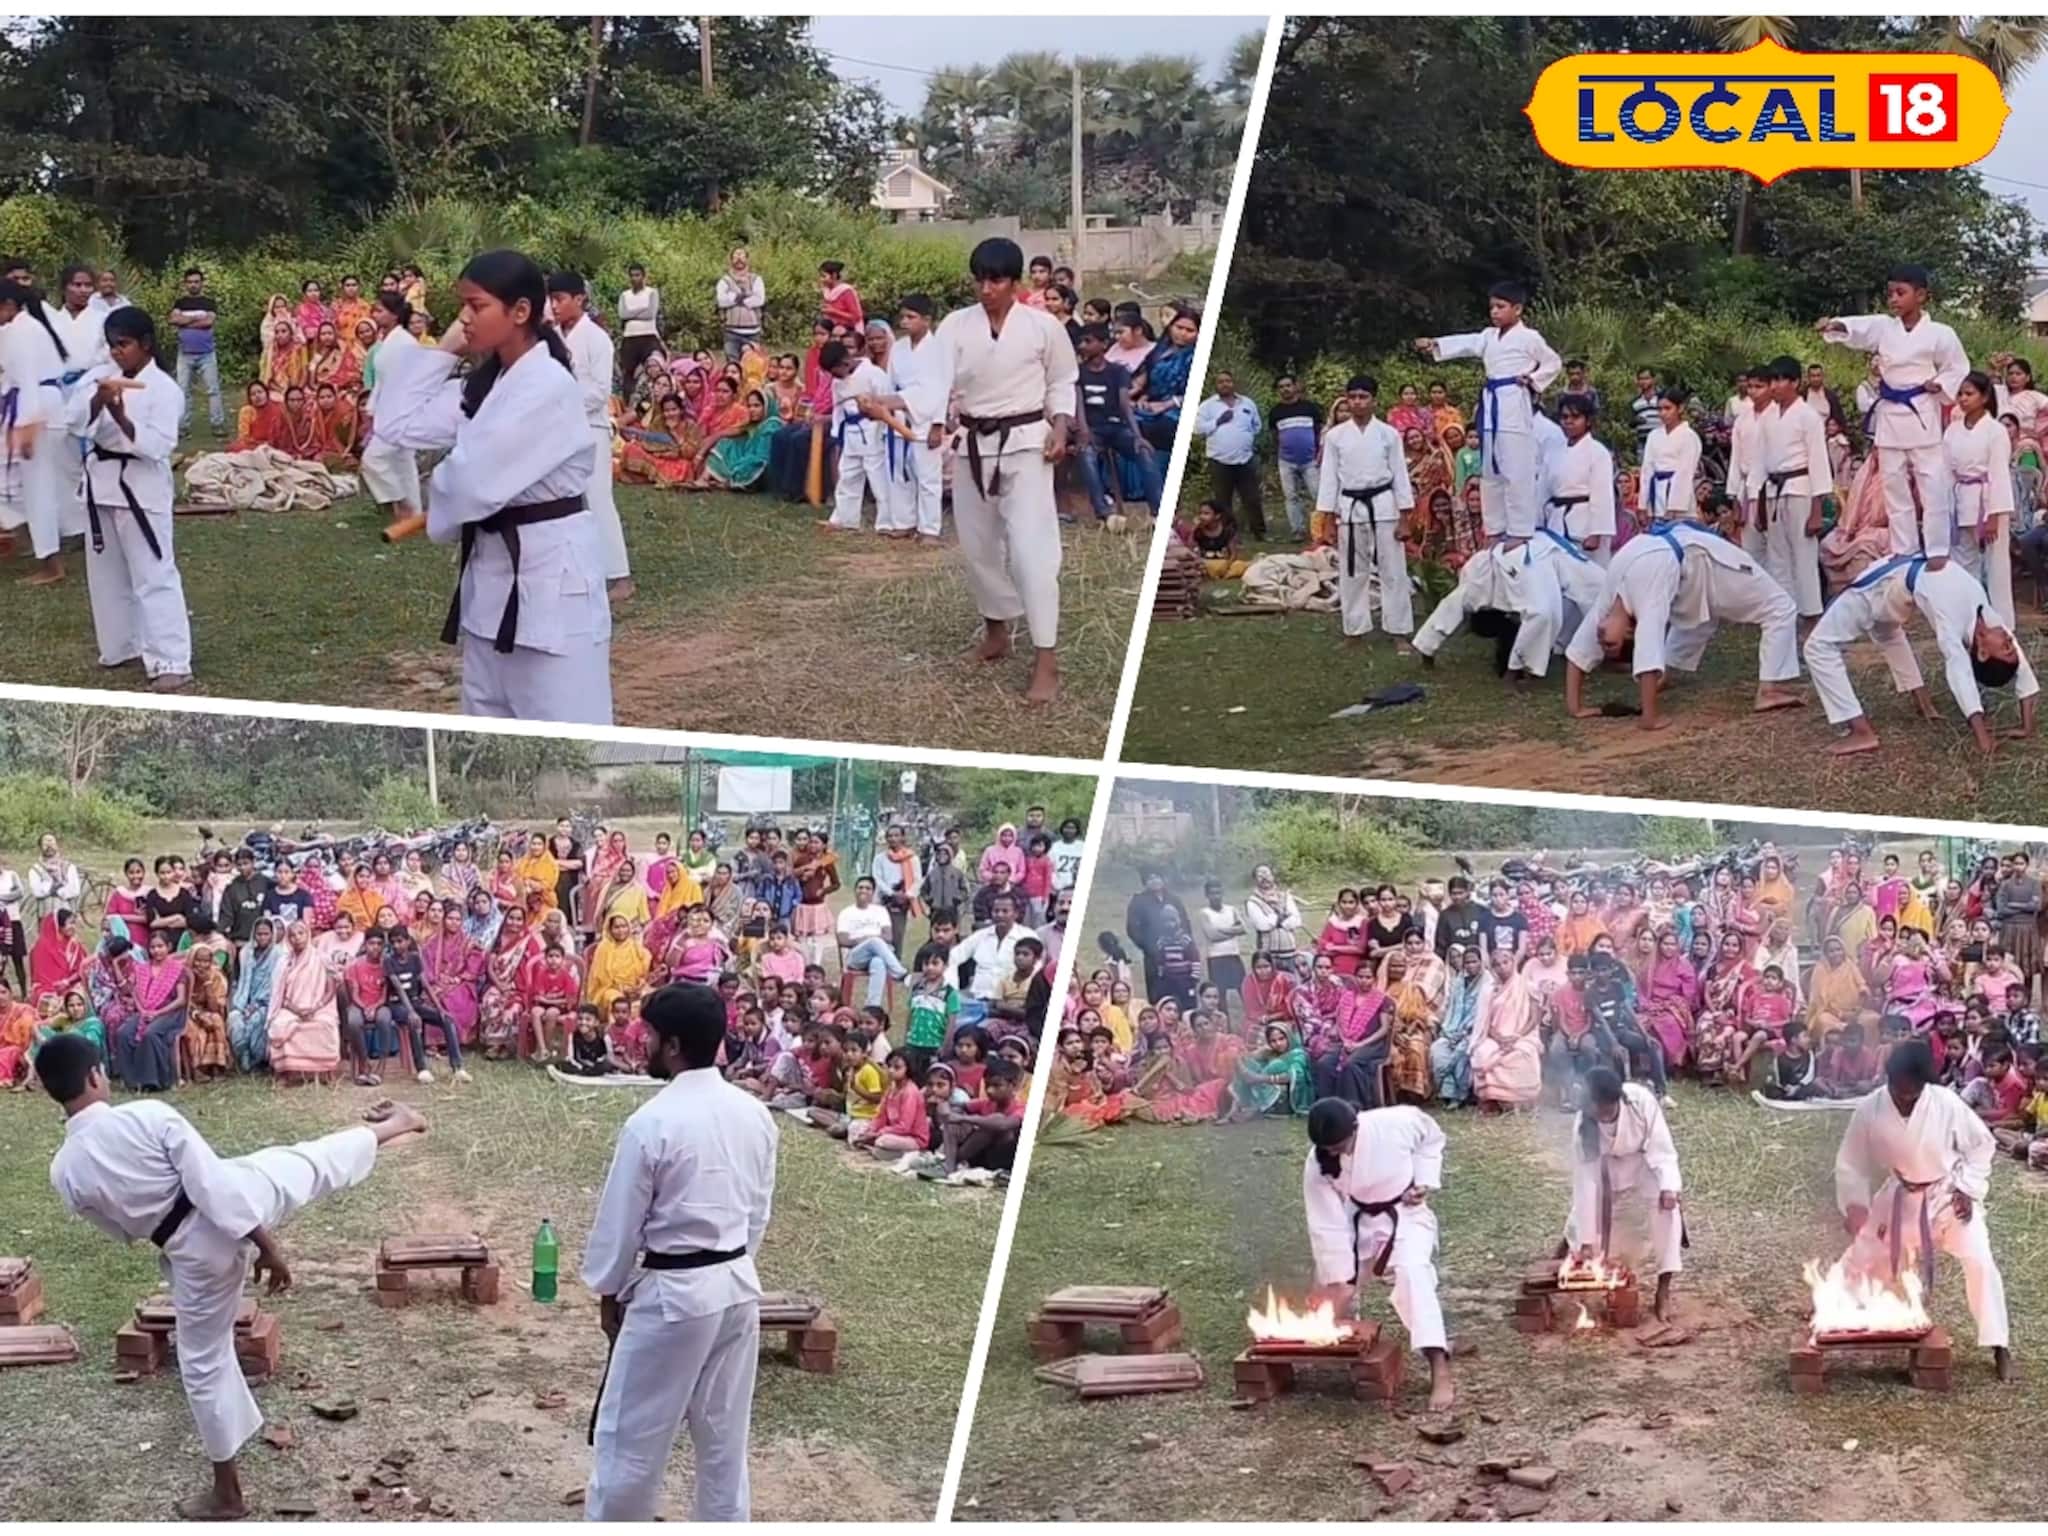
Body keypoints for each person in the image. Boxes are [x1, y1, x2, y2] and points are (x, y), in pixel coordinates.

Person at [44, 1030, 426, 1517]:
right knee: (308, 1162)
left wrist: (256, 1243)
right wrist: (265, 1243)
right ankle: (394, 1125)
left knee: (203, 1361)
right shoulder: (148, 1115)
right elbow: (211, 1182)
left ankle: (228, 1493)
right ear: (95, 1075)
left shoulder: (65, 1170)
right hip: (236, 1203)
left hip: (193, 1250)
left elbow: (119, 1230)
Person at [371, 250, 611, 723]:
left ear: (520, 312)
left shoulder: (546, 386)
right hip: (489, 588)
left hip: (551, 592)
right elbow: (395, 423)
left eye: (476, 306)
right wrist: (444, 351)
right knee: (486, 723)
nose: (463, 318)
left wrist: (442, 485)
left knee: (565, 729)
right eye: (462, 305)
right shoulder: (489, 384)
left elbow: (467, 483)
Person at [584, 984, 776, 1520]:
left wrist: (609, 1289)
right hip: (737, 1288)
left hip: (674, 1297)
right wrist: (731, 1262)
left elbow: (621, 1225)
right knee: (723, 1443)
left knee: (631, 1442)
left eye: (646, 1036)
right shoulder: (753, 1113)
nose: (641, 1044)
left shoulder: (651, 1123)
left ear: (670, 1045)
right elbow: (757, 1210)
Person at [930, 238, 1077, 705]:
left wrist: (1060, 427)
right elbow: (935, 380)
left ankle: (1046, 658)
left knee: (1033, 554)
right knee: (978, 548)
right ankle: (996, 633)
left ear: (1014, 282)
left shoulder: (1043, 327)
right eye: (979, 279)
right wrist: (935, 421)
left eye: (995, 280)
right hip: (974, 444)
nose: (986, 289)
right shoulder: (956, 325)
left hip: (1027, 446)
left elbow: (1062, 382)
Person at [1833, 1037, 2012, 1379]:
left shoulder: (1946, 1103)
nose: (1904, 1099)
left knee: (1980, 1261)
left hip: (1947, 1196)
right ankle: (1830, 1310)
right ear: (1888, 1080)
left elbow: (1981, 1146)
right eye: (1898, 1091)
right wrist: (1854, 1204)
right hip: (1900, 1194)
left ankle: (1999, 1345)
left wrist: (1967, 1188)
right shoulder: (1870, 1107)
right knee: (1863, 1252)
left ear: (1923, 1086)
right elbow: (1850, 1162)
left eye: (1911, 1094)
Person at [1564, 517, 1803, 731]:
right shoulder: (1618, 596)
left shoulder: (1633, 584)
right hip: (1687, 570)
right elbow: (1581, 648)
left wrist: (1649, 718)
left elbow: (1648, 643)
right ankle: (1666, 675)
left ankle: (1769, 688)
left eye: (1606, 643)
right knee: (1697, 615)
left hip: (1714, 561)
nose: (1602, 641)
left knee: (1781, 607)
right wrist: (1576, 708)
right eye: (1609, 645)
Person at [63, 305, 195, 690]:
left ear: (146, 344)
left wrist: (120, 417)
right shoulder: (101, 377)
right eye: (112, 345)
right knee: (107, 576)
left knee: (154, 573)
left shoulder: (165, 389)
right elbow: (73, 423)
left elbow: (157, 446)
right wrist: (99, 402)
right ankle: (121, 646)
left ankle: (172, 660)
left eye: (123, 344)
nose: (117, 352)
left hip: (141, 488)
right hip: (101, 483)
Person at [1804, 549, 2036, 757]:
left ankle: (1861, 731)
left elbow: (1960, 673)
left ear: (1983, 652)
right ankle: (1924, 703)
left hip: (1883, 588)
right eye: (2010, 645)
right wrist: (2027, 726)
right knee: (1886, 632)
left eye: (2006, 648)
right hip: (1899, 584)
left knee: (1817, 647)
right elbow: (2022, 666)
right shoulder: (1989, 620)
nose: (2009, 640)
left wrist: (1983, 738)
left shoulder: (1952, 627)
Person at [1302, 1098, 1455, 1409]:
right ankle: (1345, 1348)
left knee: (1414, 1275)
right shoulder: (1318, 1162)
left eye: (1339, 1145)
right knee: (1331, 1291)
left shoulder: (1397, 1122)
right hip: (1355, 1220)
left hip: (1405, 1214)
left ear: (1355, 1127)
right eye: (1327, 1148)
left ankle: (1439, 1366)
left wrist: (1423, 1181)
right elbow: (1326, 1224)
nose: (1333, 1153)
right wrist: (1341, 1279)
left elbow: (1432, 1138)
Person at [1817, 266, 1970, 559]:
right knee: (1894, 486)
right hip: (1890, 415)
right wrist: (1835, 326)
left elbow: (1958, 368)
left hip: (1921, 412)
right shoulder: (1886, 328)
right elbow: (1858, 330)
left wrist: (1938, 384)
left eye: (1901, 293)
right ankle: (1904, 548)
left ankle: (1937, 550)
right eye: (1890, 293)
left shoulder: (1941, 333)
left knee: (1932, 487)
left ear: (1921, 295)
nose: (1894, 299)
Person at [1416, 280, 1561, 544]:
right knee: (1490, 470)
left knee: (1516, 469)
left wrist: (1533, 379)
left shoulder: (1530, 338)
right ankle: (1494, 528)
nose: (1494, 312)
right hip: (1491, 407)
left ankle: (1520, 530)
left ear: (1517, 309)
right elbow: (1466, 342)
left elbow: (1553, 362)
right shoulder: (1488, 336)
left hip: (1514, 404)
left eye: (1501, 306)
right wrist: (1436, 343)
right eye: (1492, 307)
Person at [1566, 1068, 1683, 1320]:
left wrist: (1669, 1187)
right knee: (1583, 1218)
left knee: (1667, 1210)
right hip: (1607, 1168)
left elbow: (1662, 1148)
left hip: (1644, 1162)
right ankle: (1572, 1254)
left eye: (1606, 1109)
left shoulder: (1641, 1101)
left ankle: (1664, 1289)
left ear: (1617, 1100)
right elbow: (1585, 1180)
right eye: (1596, 1110)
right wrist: (1587, 1238)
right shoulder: (1583, 1124)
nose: (1602, 1115)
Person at [548, 271, 631, 603]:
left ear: (579, 299)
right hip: (556, 430)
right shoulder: (551, 337)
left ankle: (620, 576)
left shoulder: (597, 339)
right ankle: (574, 569)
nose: (554, 306)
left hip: (590, 428)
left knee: (598, 499)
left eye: (560, 299)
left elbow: (598, 392)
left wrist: (561, 402)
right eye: (551, 300)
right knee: (561, 501)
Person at [1316, 374, 1415, 642]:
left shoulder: (1389, 434)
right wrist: (1326, 519)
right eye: (1353, 397)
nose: (1358, 402)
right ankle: (1355, 629)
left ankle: (1399, 631)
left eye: (1363, 397)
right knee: (1352, 571)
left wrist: (1405, 517)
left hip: (1384, 504)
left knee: (1393, 569)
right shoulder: (1335, 436)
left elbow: (1400, 475)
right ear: (1347, 399)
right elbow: (1329, 478)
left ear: (1374, 400)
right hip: (1349, 506)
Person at [1755, 355, 1831, 618]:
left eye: (1780, 380)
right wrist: (1758, 503)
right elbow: (1761, 462)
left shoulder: (1808, 415)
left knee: (1803, 555)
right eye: (1772, 380)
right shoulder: (1768, 417)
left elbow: (1819, 461)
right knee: (1777, 558)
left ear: (1795, 383)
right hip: (1774, 490)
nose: (1774, 386)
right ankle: (1783, 612)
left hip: (1800, 488)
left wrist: (1817, 508)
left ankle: (1811, 613)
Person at [1945, 369, 2018, 626]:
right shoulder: (1952, 430)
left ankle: (2003, 624)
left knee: (1996, 566)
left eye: (1969, 393)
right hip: (1962, 499)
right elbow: (1946, 471)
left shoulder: (1995, 431)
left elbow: (1998, 474)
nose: (1963, 399)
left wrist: (1994, 516)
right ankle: (1971, 621)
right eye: (1960, 394)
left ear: (1985, 397)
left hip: (1989, 503)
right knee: (1963, 563)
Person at [819, 339, 894, 533]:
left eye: (837, 371)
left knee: (878, 478)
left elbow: (888, 404)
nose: (836, 377)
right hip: (850, 433)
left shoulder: (873, 374)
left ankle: (886, 522)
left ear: (846, 361)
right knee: (847, 476)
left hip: (872, 429)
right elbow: (838, 409)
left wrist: (886, 430)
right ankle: (844, 519)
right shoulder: (837, 382)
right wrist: (837, 434)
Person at [1194, 370, 1265, 541]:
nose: (1225, 384)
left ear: (1234, 383)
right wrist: (1218, 421)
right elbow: (1197, 429)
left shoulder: (1247, 403)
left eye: (1228, 381)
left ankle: (1259, 532)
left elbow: (1257, 426)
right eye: (1221, 382)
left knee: (1252, 498)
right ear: (1216, 385)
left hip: (1245, 459)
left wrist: (1244, 439)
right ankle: (1229, 534)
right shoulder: (1207, 406)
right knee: (1223, 501)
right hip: (1219, 461)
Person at [1545, 392, 1616, 562]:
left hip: (1585, 527)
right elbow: (1543, 490)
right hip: (1556, 523)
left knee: (1591, 578)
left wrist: (1596, 533)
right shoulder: (1553, 451)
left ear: (1588, 420)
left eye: (1575, 417)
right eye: (1564, 417)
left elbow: (1602, 495)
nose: (1568, 421)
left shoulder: (1598, 452)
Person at [165, 267, 224, 434]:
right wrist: (197, 318)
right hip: (185, 354)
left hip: (207, 353)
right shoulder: (180, 303)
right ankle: (183, 426)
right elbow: (173, 319)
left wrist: (185, 321)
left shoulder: (209, 303)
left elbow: (208, 322)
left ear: (202, 283)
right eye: (190, 282)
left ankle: (217, 424)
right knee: (183, 391)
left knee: (213, 390)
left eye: (196, 282)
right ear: (185, 284)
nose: (193, 285)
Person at [1271, 373, 1323, 540]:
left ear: (1295, 387)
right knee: (1291, 496)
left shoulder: (1310, 408)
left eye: (1288, 385)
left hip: (1310, 460)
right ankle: (1297, 530)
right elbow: (1275, 436)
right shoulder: (1275, 412)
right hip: (1286, 461)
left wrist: (1317, 453)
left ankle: (1322, 529)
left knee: (1318, 494)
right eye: (1281, 387)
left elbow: (1319, 431)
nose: (1285, 389)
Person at [615, 264, 663, 385]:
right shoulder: (625, 295)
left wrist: (631, 313)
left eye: (637, 275)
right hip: (630, 337)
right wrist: (641, 309)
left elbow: (650, 314)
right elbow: (622, 314)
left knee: (653, 369)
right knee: (629, 373)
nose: (634, 278)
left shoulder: (652, 292)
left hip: (648, 336)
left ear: (643, 276)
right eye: (632, 276)